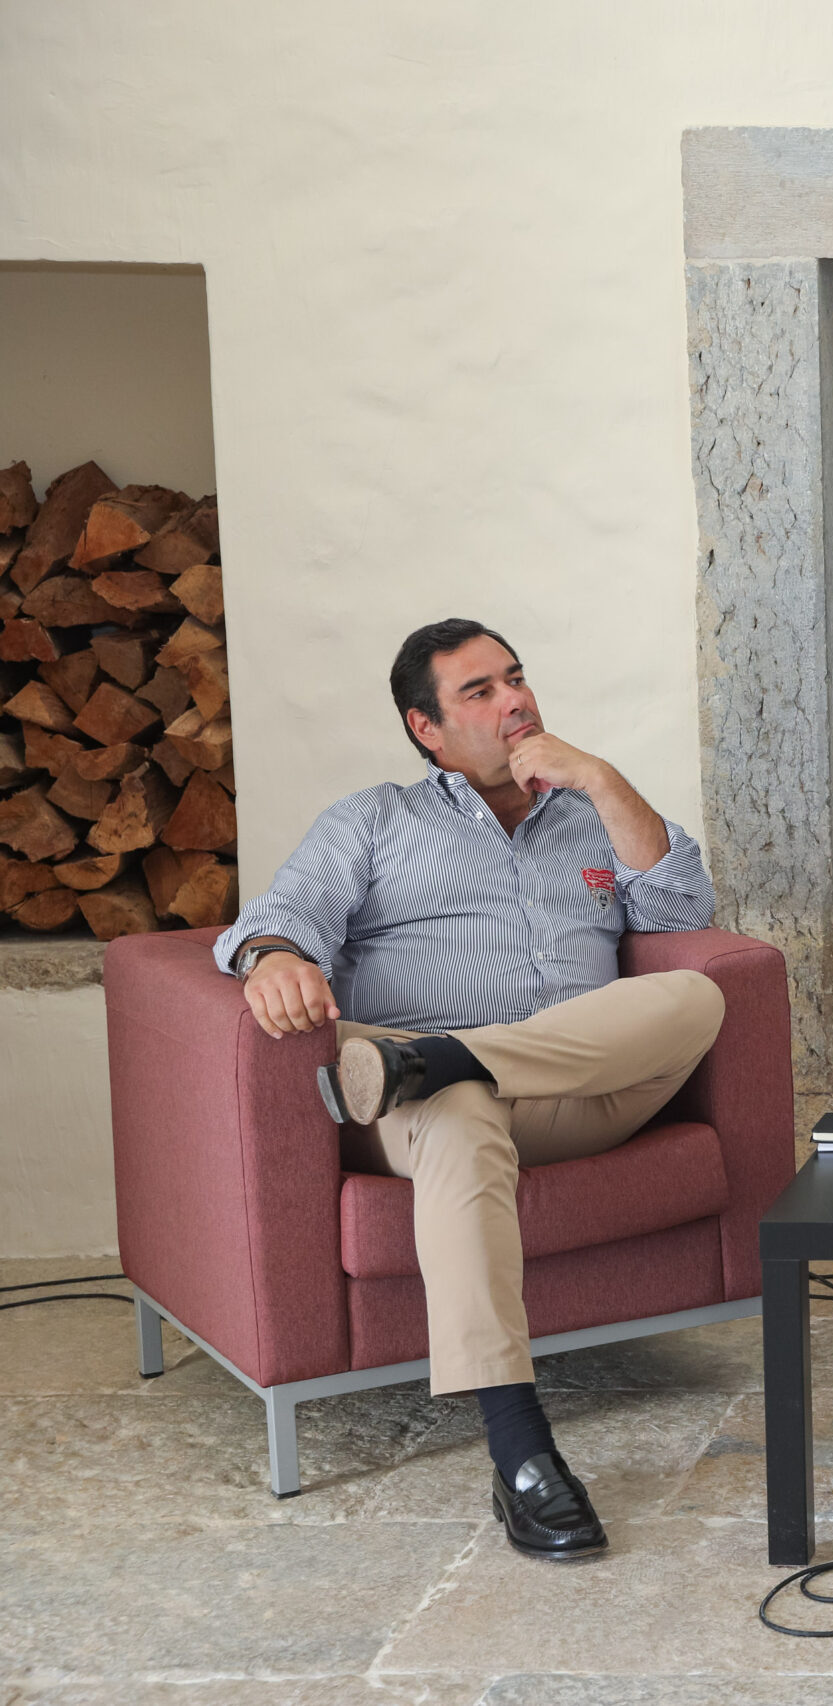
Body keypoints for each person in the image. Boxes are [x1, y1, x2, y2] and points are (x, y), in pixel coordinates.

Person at [213, 619, 719, 1560]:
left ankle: (444, 1056)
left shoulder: (590, 814)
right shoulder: (373, 819)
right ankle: (523, 1455)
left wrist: (603, 780)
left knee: (693, 993)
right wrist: (273, 958)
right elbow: (278, 917)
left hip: (580, 1093)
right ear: (427, 730)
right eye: (479, 692)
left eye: (516, 680)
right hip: (413, 1112)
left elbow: (685, 914)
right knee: (454, 1109)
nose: (513, 701)